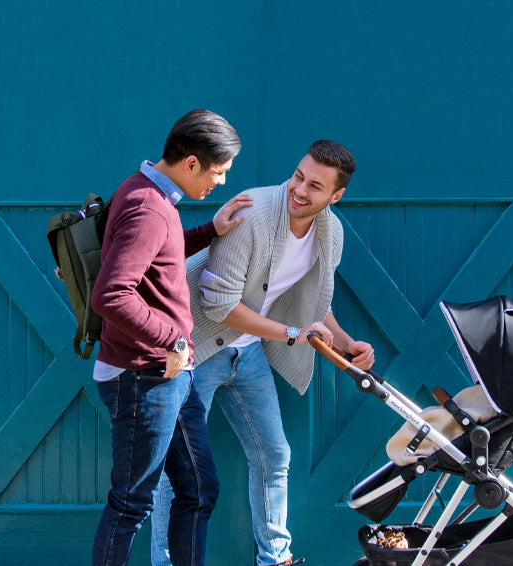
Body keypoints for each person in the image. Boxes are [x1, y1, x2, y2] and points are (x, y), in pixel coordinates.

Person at [151, 140, 375, 566]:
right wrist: (292, 333)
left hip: (247, 354)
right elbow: (217, 304)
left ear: (336, 196)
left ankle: (275, 558)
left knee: (274, 455)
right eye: (298, 176)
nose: (300, 190)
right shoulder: (254, 214)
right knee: (177, 468)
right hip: (195, 348)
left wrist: (347, 344)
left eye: (315, 186)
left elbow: (315, 303)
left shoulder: (331, 233)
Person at [91, 109, 253, 566]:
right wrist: (175, 341)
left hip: (169, 379)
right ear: (192, 163)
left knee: (199, 490)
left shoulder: (148, 194)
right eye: (219, 172)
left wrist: (210, 231)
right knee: (130, 504)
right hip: (143, 377)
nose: (220, 183)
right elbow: (111, 294)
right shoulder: (148, 206)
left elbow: (158, 258)